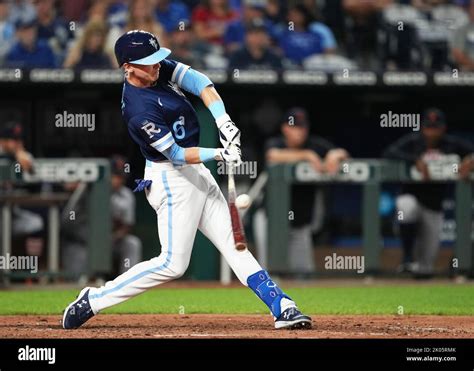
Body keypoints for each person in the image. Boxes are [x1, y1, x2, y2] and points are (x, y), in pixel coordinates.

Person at [62, 29, 312, 330]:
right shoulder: (138, 110)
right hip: (169, 178)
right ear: (128, 67)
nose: (157, 65)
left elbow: (200, 82)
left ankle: (281, 304)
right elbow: (177, 154)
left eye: (157, 59)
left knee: (236, 244)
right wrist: (220, 154)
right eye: (148, 62)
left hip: (196, 172)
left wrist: (223, 121)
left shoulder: (156, 69)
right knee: (172, 264)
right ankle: (93, 299)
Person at [384, 108, 474, 277]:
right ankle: (407, 257)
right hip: (413, 198)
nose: (431, 131)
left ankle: (418, 273)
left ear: (443, 128)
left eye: (435, 127)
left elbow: (470, 153)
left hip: (435, 206)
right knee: (405, 207)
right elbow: (388, 153)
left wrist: (470, 160)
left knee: (425, 268)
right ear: (422, 127)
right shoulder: (413, 142)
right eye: (428, 127)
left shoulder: (451, 144)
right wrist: (414, 160)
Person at [264, 108, 349, 274]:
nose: (300, 131)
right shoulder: (276, 143)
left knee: (304, 273)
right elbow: (272, 155)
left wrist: (335, 155)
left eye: (303, 127)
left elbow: (343, 153)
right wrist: (307, 155)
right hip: (271, 219)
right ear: (285, 128)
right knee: (270, 271)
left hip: (301, 221)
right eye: (296, 127)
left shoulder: (315, 144)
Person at [0, 122, 44, 240]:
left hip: (12, 211)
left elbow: (37, 187)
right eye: (13, 140)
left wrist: (28, 168)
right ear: (2, 141)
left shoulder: (24, 156)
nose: (18, 144)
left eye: (19, 140)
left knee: (35, 223)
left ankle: (18, 257)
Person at [110, 155, 142, 275]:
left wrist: (114, 237)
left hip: (113, 239)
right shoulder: (94, 191)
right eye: (115, 176)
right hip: (89, 240)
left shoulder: (127, 195)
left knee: (132, 243)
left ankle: (127, 281)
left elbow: (127, 225)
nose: (118, 180)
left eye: (121, 176)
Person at [451, 0, 474, 71]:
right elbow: (457, 53)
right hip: (467, 68)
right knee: (458, 71)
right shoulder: (461, 29)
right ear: (469, 9)